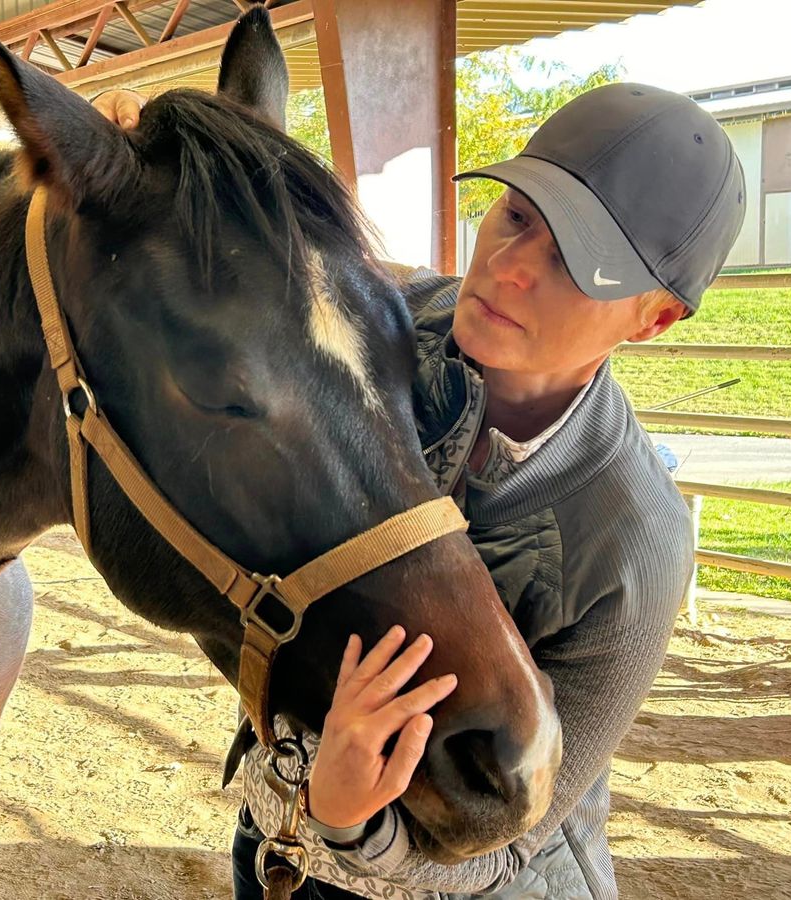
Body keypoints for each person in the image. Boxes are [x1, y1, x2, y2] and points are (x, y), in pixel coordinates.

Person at [95, 80, 744, 900]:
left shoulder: (636, 542)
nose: (508, 270)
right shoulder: (381, 325)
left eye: (579, 263)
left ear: (654, 319)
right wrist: (146, 173)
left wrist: (347, 818)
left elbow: (511, 845)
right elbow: (253, 269)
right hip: (277, 845)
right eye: (515, 218)